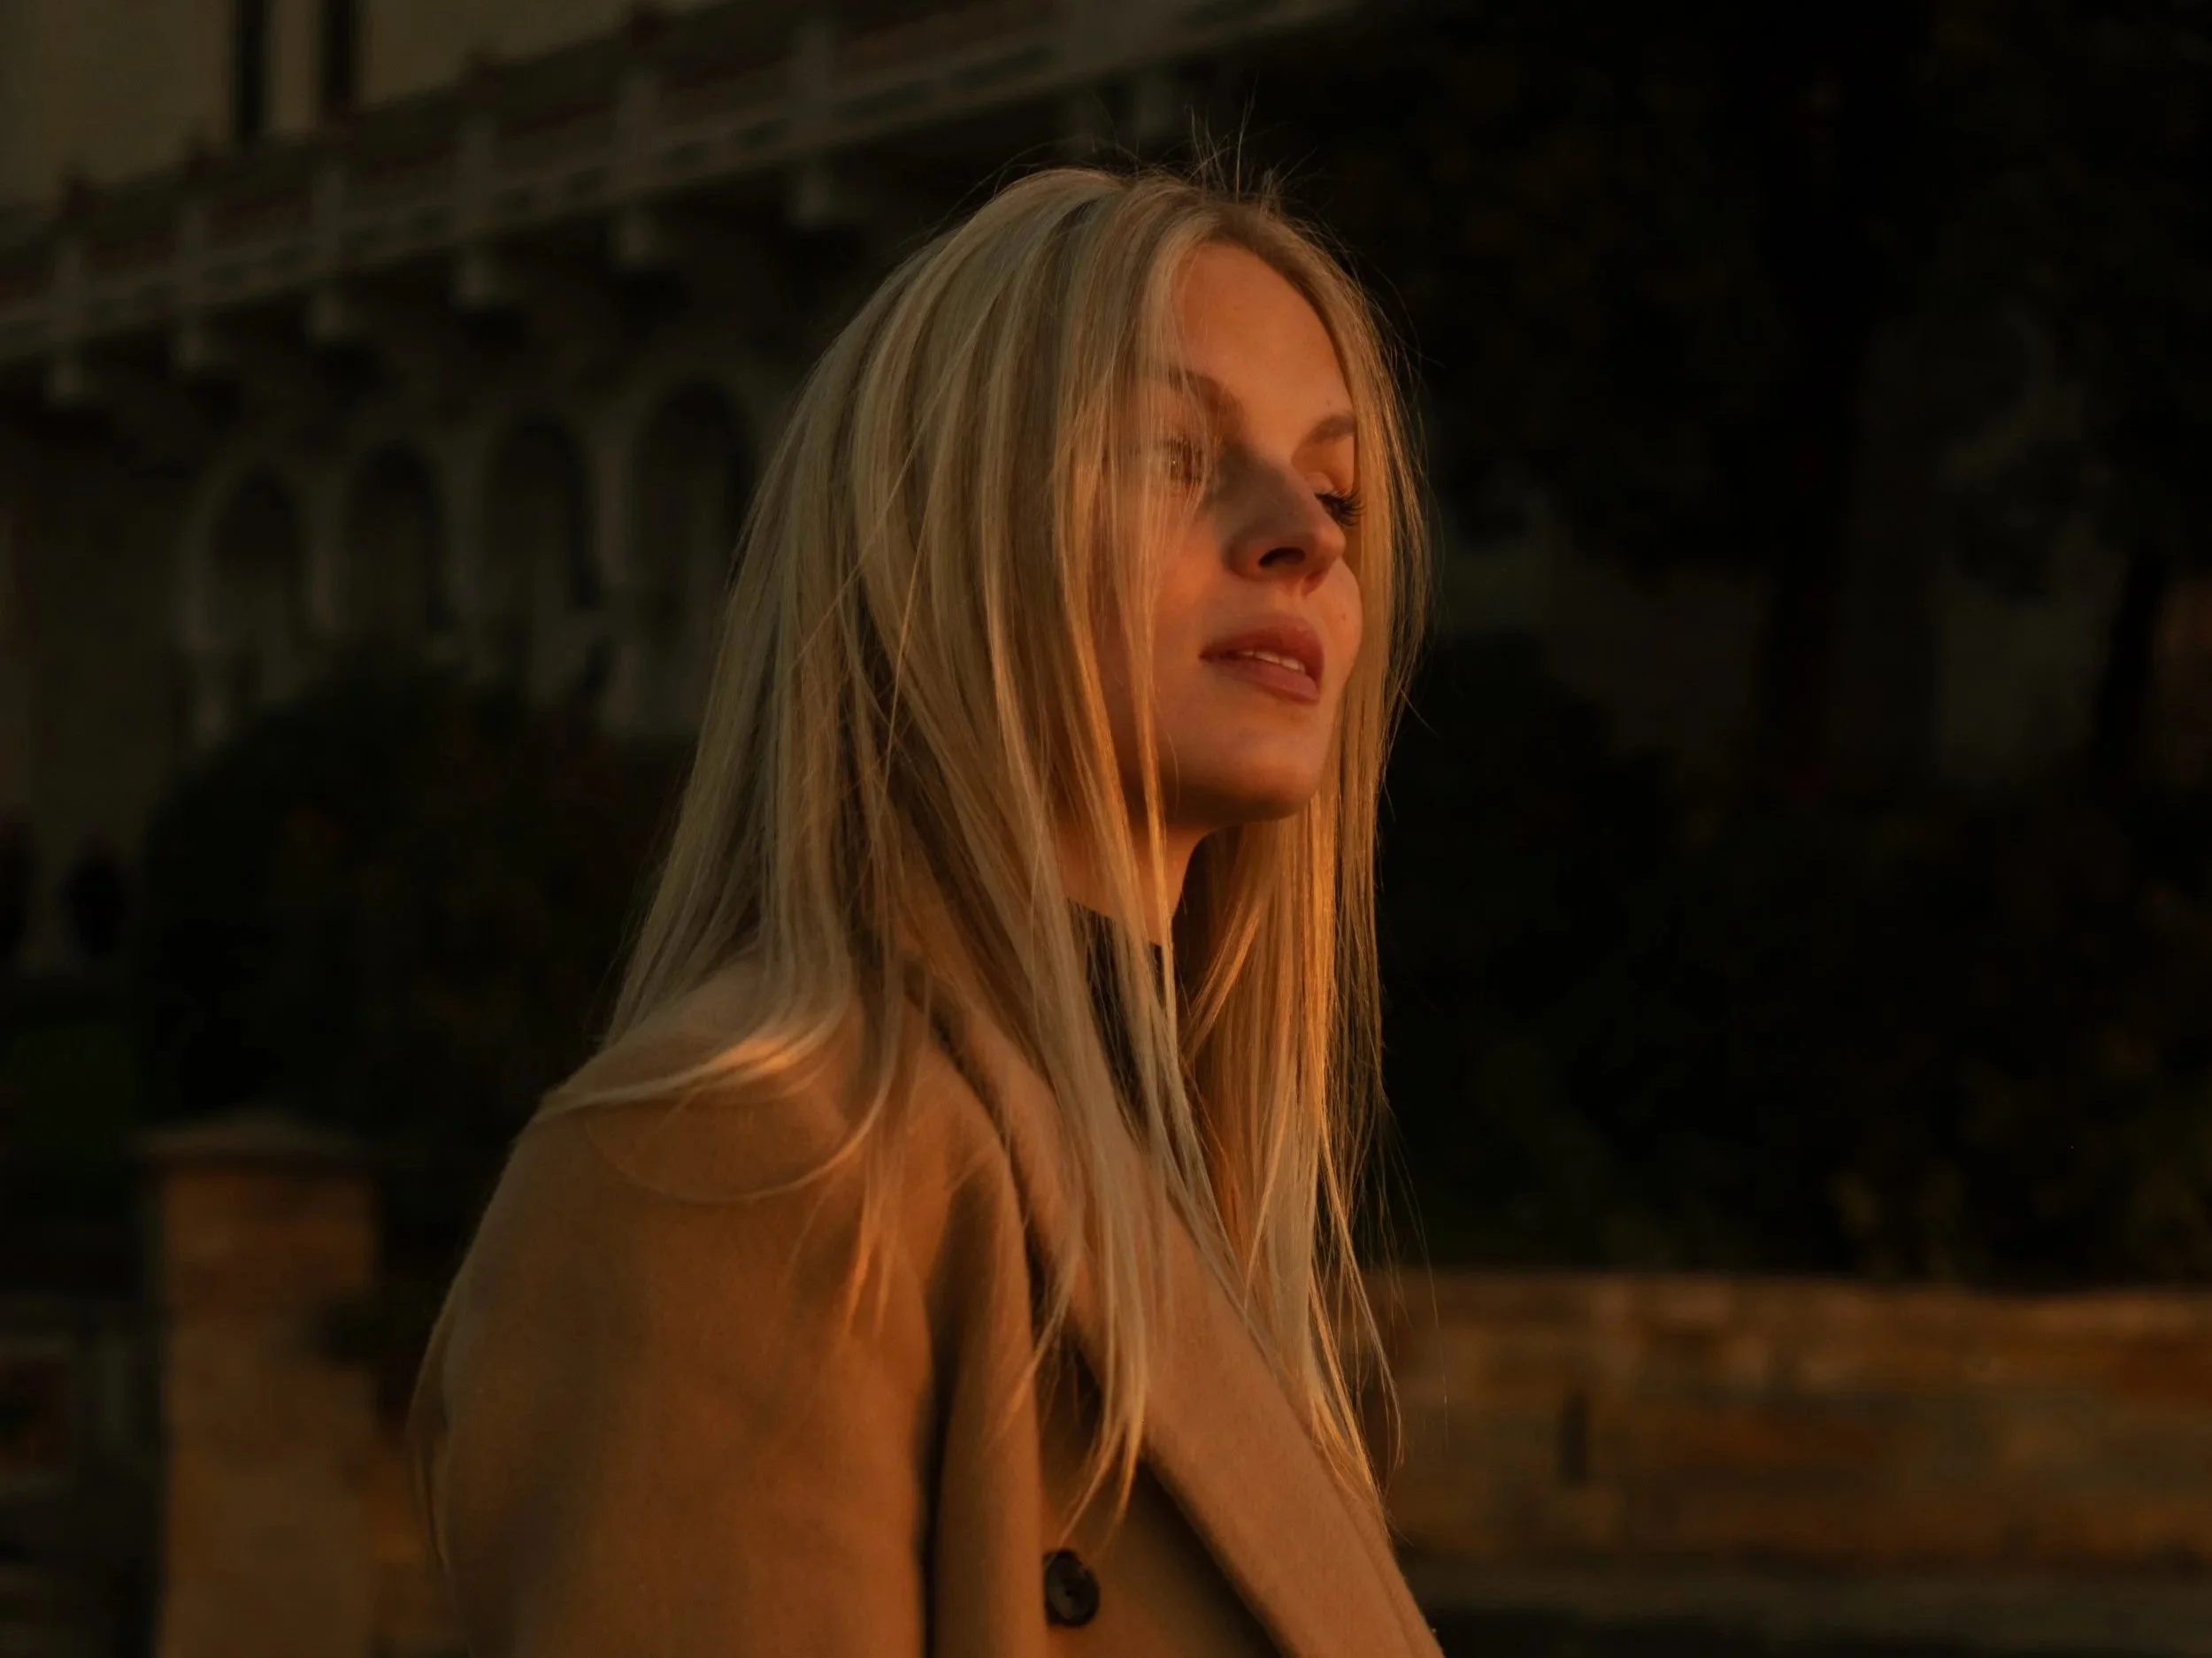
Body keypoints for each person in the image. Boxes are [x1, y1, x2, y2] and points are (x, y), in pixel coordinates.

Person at [409, 157, 1440, 1655]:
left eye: (1336, 486)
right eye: (1171, 451)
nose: (1309, 535)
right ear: (937, 529)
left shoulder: (1203, 1215)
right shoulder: (744, 1158)